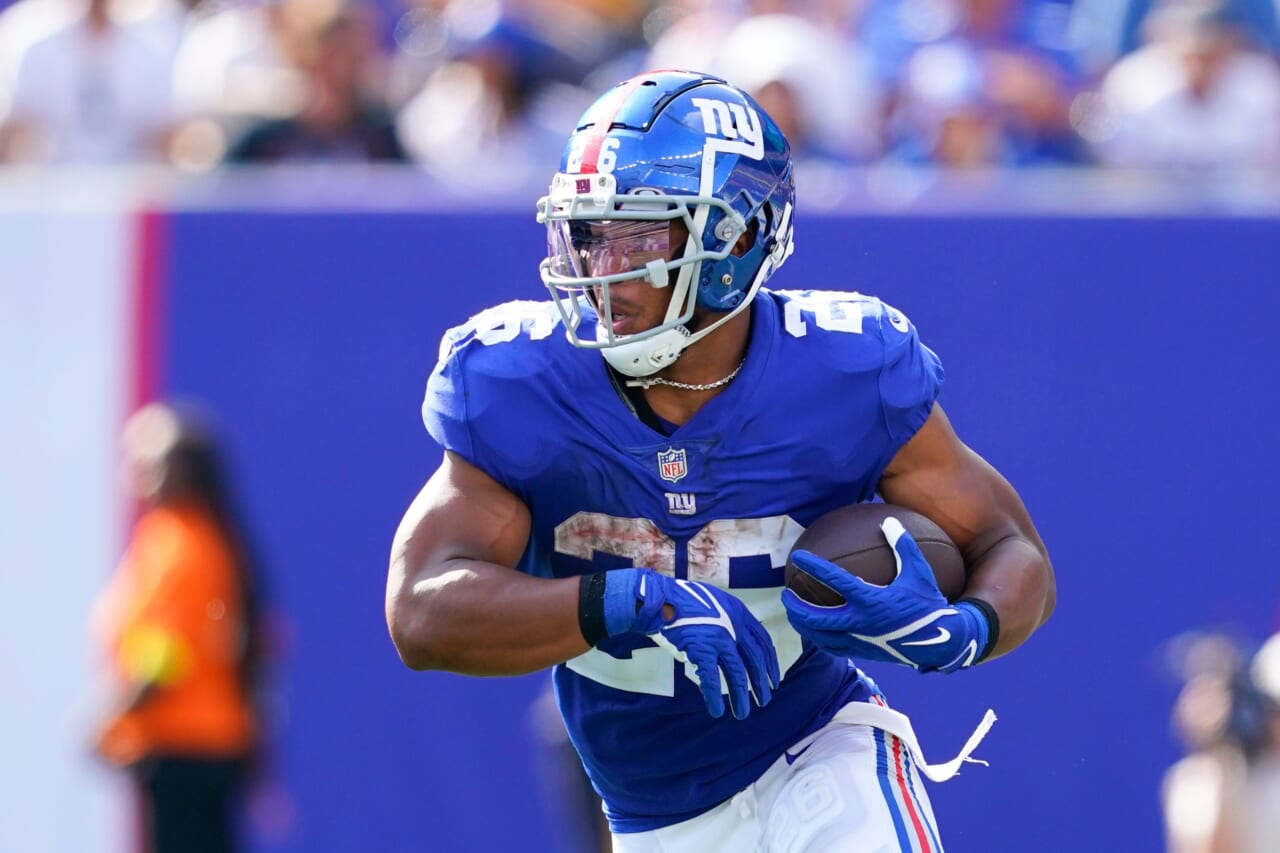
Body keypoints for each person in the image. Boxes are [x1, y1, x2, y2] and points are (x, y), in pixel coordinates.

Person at [385, 70, 1056, 852]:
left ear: (735, 240)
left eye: (637, 235)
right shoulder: (522, 382)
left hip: (818, 743)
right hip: (652, 810)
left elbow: (1011, 546)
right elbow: (421, 611)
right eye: (591, 233)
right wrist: (627, 599)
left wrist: (968, 627)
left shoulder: (843, 370)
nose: (602, 268)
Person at [91, 402, 268, 853]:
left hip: (184, 750)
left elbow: (162, 658)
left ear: (182, 471)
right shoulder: (198, 538)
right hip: (200, 749)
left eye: (150, 459)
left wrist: (108, 719)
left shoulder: (178, 545)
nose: (136, 469)